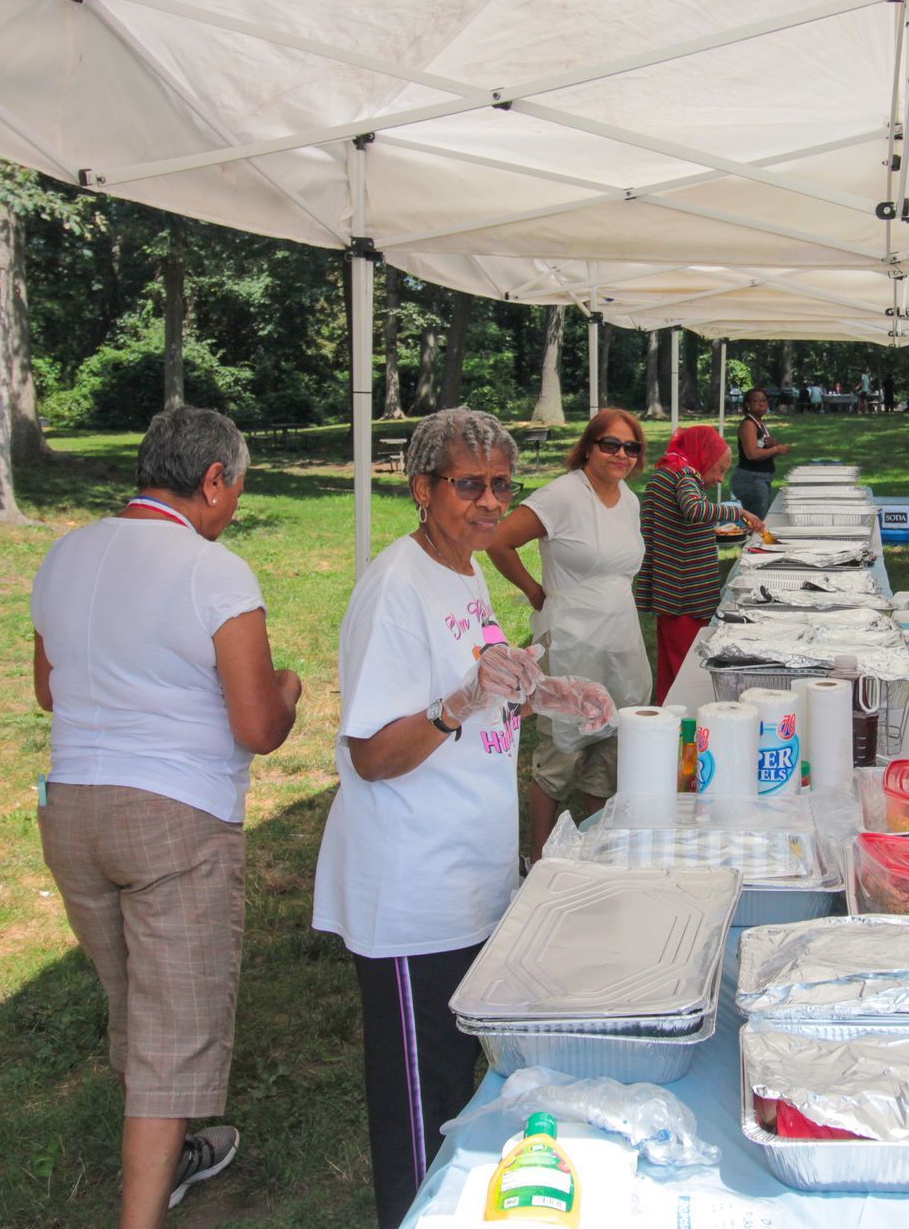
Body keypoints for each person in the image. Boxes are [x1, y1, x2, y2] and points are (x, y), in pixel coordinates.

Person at [312, 410, 614, 1229]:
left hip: (469, 870)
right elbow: (373, 752)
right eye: (469, 485)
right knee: (423, 1099)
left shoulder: (467, 571)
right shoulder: (395, 587)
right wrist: (458, 704)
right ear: (422, 489)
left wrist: (543, 691)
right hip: (412, 892)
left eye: (501, 486)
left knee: (462, 1083)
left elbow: (481, 677)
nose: (489, 503)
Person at [31, 407, 302, 1227]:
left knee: (132, 1001)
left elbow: (48, 689)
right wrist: (288, 688)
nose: (236, 509)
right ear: (212, 479)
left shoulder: (65, 552)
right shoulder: (213, 570)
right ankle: (142, 1214)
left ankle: (175, 1149)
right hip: (175, 815)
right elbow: (256, 726)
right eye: (236, 490)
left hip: (72, 808)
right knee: (172, 1028)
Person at [488, 409, 652, 858]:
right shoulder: (562, 496)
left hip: (620, 639)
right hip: (570, 641)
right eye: (611, 444)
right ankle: (540, 857)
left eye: (631, 447)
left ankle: (598, 843)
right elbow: (498, 541)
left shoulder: (630, 500)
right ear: (588, 447)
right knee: (562, 751)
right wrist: (537, 593)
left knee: (609, 747)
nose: (622, 454)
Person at [634, 424, 764, 702]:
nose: (720, 479)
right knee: (688, 667)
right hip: (685, 596)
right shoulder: (683, 473)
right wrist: (736, 510)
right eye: (719, 469)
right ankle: (688, 721)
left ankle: (668, 713)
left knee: (671, 669)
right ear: (701, 455)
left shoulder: (668, 472)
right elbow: (695, 509)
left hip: (670, 590)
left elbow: (679, 523)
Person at [732, 387, 789, 519]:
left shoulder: (759, 423)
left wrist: (773, 445)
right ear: (748, 405)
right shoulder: (748, 424)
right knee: (758, 521)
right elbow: (751, 454)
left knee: (760, 519)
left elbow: (762, 450)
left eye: (764, 400)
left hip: (760, 478)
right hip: (751, 480)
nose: (761, 403)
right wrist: (776, 449)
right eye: (755, 401)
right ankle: (756, 540)